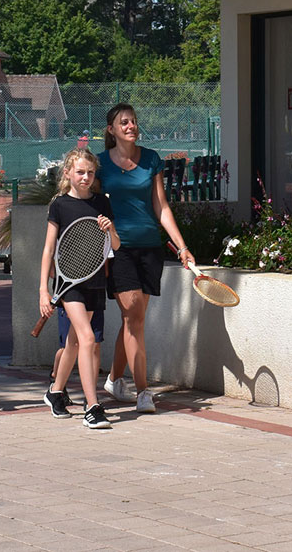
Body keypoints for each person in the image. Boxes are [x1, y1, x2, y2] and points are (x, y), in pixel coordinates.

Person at [97, 103, 195, 415]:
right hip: (119, 248)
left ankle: (113, 379)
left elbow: (162, 206)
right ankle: (142, 392)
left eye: (134, 121)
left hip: (150, 246)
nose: (131, 126)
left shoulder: (151, 159)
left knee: (133, 320)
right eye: (124, 122)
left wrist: (181, 246)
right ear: (111, 130)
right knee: (134, 317)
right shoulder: (99, 164)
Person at [39, 148, 120, 429]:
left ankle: (55, 391)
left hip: (94, 280)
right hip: (68, 283)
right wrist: (42, 291)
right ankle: (93, 407)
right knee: (87, 339)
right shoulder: (59, 205)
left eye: (91, 173)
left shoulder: (102, 204)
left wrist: (109, 229)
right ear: (68, 174)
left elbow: (116, 246)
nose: (86, 177)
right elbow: (49, 249)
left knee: (74, 342)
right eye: (80, 172)